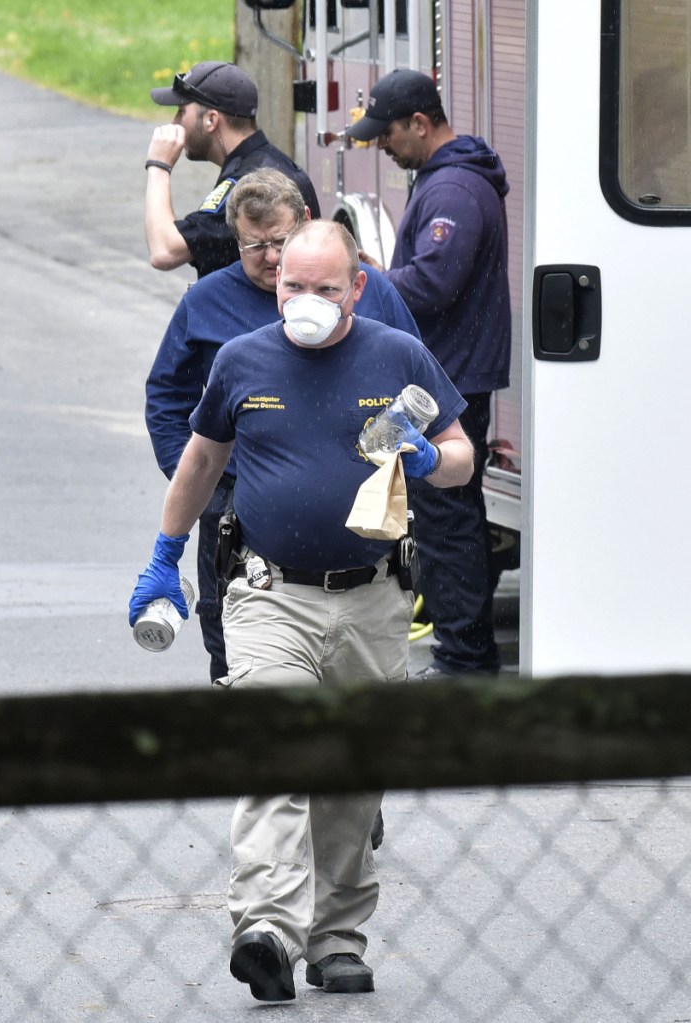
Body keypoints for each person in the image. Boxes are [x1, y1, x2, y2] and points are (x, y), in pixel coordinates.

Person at [128, 219, 474, 1001]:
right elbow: (201, 459)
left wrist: (430, 458)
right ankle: (269, 929)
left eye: (325, 287)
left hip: (374, 597)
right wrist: (162, 554)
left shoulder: (398, 355)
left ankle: (337, 938)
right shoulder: (243, 361)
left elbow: (461, 458)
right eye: (292, 286)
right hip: (268, 593)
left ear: (356, 286)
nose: (306, 300)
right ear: (274, 283)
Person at [146, 169, 421, 684]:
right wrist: (211, 489)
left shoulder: (376, 295)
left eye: (279, 242)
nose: (271, 258)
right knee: (227, 644)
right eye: (255, 246)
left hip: (367, 557)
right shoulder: (208, 305)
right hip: (246, 532)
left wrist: (408, 464)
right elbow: (170, 404)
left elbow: (415, 386)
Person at [345, 68, 512, 681]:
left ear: (419, 123)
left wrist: (366, 277)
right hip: (448, 372)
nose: (383, 147)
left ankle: (465, 663)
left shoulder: (453, 193)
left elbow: (434, 286)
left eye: (388, 134)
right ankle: (461, 656)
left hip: (450, 378)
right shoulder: (446, 181)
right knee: (444, 515)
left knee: (446, 522)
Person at [144, 61, 321, 278]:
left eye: (181, 112)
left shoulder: (250, 183)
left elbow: (164, 251)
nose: (175, 122)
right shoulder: (267, 162)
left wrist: (158, 165)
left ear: (211, 120)